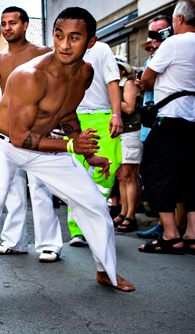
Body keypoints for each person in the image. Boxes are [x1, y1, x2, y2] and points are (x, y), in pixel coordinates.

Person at [0, 7, 135, 315]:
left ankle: (104, 269)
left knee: (92, 200)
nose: (65, 45)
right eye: (59, 36)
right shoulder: (31, 75)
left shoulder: (85, 72)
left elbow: (66, 113)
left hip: (42, 145)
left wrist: (86, 150)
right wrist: (71, 145)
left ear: (90, 42)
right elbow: (19, 138)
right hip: (2, 144)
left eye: (74, 38)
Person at [138, 0, 195, 256]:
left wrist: (147, 82)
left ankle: (171, 235)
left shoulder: (173, 43)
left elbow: (148, 79)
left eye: (173, 19)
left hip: (174, 116)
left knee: (153, 170)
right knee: (192, 173)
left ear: (180, 19)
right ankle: (193, 234)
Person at [0, 6, 63, 262]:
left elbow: (56, 88)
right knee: (12, 188)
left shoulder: (43, 54)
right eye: (4, 23)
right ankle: (14, 241)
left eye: (13, 23)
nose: (8, 28)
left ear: (26, 24)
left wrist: (51, 121)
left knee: (40, 185)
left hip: (36, 130)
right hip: (5, 131)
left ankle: (49, 244)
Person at [66, 39, 123, 247]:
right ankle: (78, 230)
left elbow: (113, 83)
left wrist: (116, 114)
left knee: (104, 174)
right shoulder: (64, 51)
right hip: (74, 118)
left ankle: (98, 224)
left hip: (103, 116)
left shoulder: (102, 49)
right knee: (76, 175)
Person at [135, 15, 173, 240]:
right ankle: (166, 224)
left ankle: (170, 228)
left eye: (160, 31)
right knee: (154, 174)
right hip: (151, 122)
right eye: (151, 33)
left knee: (161, 175)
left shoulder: (169, 53)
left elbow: (149, 82)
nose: (154, 38)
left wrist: (143, 82)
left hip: (165, 120)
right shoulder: (154, 56)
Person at [113, 59, 142, 232]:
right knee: (121, 175)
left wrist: (110, 100)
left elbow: (129, 108)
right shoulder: (112, 86)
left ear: (123, 71)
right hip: (117, 132)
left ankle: (131, 215)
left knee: (129, 174)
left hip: (130, 131)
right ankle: (124, 211)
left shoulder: (128, 84)